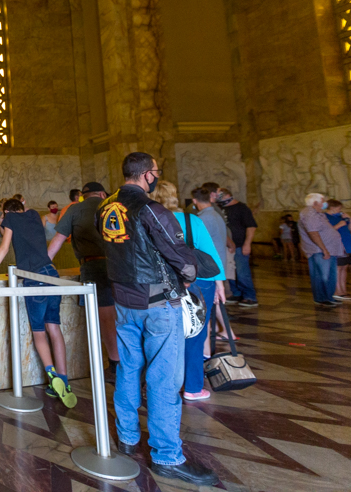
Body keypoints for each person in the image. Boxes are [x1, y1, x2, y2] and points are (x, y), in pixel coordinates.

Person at [98, 152, 217, 487]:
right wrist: (191, 273)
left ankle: (127, 438)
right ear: (148, 175)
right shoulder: (151, 209)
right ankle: (167, 456)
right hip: (157, 304)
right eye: (156, 172)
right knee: (164, 379)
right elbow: (178, 255)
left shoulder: (105, 207)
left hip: (123, 302)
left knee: (128, 368)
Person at [0, 198, 76, 407]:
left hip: (33, 277)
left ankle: (52, 375)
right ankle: (64, 380)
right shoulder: (35, 214)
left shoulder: (10, 219)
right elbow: (23, 216)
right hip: (51, 274)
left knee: (39, 332)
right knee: (54, 328)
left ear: (6, 212)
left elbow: (4, 247)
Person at [154, 183, 226, 402]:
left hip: (165, 282)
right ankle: (193, 387)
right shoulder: (191, 220)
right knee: (195, 334)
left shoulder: (150, 221)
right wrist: (220, 284)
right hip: (200, 281)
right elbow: (210, 253)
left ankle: (165, 385)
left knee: (164, 333)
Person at [45, 181, 119, 381]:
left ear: (82, 196)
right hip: (121, 266)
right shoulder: (114, 206)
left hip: (94, 267)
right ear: (102, 194)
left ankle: (114, 364)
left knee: (105, 317)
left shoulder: (74, 209)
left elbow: (57, 242)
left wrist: (40, 268)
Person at [191, 187, 233, 349]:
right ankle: (225, 330)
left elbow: (200, 244)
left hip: (209, 267)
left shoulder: (201, 219)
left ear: (195, 201)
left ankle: (223, 334)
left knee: (209, 304)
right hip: (219, 262)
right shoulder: (216, 215)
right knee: (214, 302)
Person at [298, 193, 345, 307]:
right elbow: (313, 233)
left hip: (329, 248)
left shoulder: (318, 213)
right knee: (322, 275)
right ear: (315, 203)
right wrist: (324, 249)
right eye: (323, 202)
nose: (325, 204)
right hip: (320, 250)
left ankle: (327, 297)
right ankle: (322, 298)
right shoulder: (310, 213)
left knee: (329, 274)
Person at [216, 188, 258, 308]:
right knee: (230, 272)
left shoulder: (242, 208)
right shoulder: (220, 209)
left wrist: (247, 243)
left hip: (240, 245)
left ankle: (250, 296)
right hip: (226, 245)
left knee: (242, 272)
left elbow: (251, 226)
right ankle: (236, 293)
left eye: (221, 196)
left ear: (228, 195)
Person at [326, 199, 351, 301]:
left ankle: (343, 290)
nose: (340, 210)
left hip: (346, 245)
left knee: (344, 268)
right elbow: (326, 232)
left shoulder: (340, 217)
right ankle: (338, 291)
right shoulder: (325, 217)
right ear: (332, 208)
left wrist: (350, 219)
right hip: (336, 246)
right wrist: (339, 225)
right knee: (338, 269)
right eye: (339, 208)